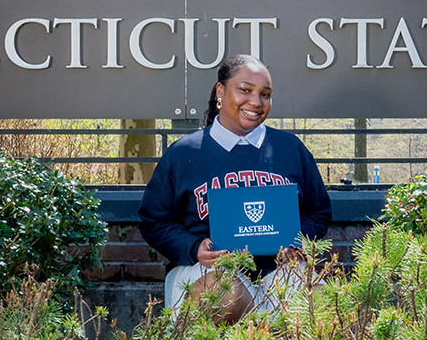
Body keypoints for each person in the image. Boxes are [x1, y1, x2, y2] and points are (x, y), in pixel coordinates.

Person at [138, 55, 332, 316]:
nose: (256, 102)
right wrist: (194, 248)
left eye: (265, 94)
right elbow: (154, 221)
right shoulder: (184, 153)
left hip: (278, 270)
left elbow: (318, 212)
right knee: (225, 293)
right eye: (245, 90)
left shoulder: (290, 149)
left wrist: (297, 241)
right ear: (220, 91)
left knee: (319, 298)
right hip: (208, 271)